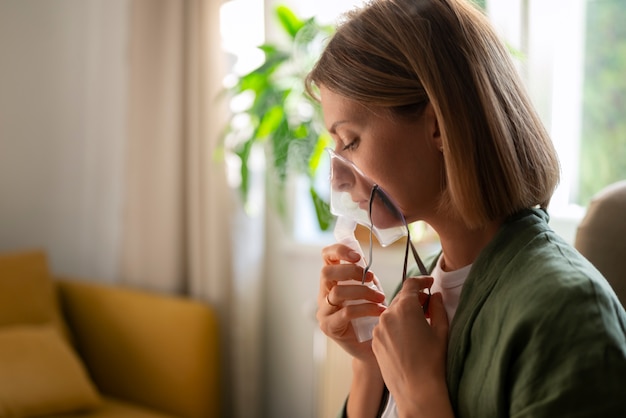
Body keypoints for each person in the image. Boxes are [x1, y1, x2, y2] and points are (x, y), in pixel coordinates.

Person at [305, 0, 626, 417]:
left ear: (437, 126)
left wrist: (420, 394)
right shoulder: (425, 284)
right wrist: (370, 364)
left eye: (349, 141)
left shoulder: (569, 315)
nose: (337, 178)